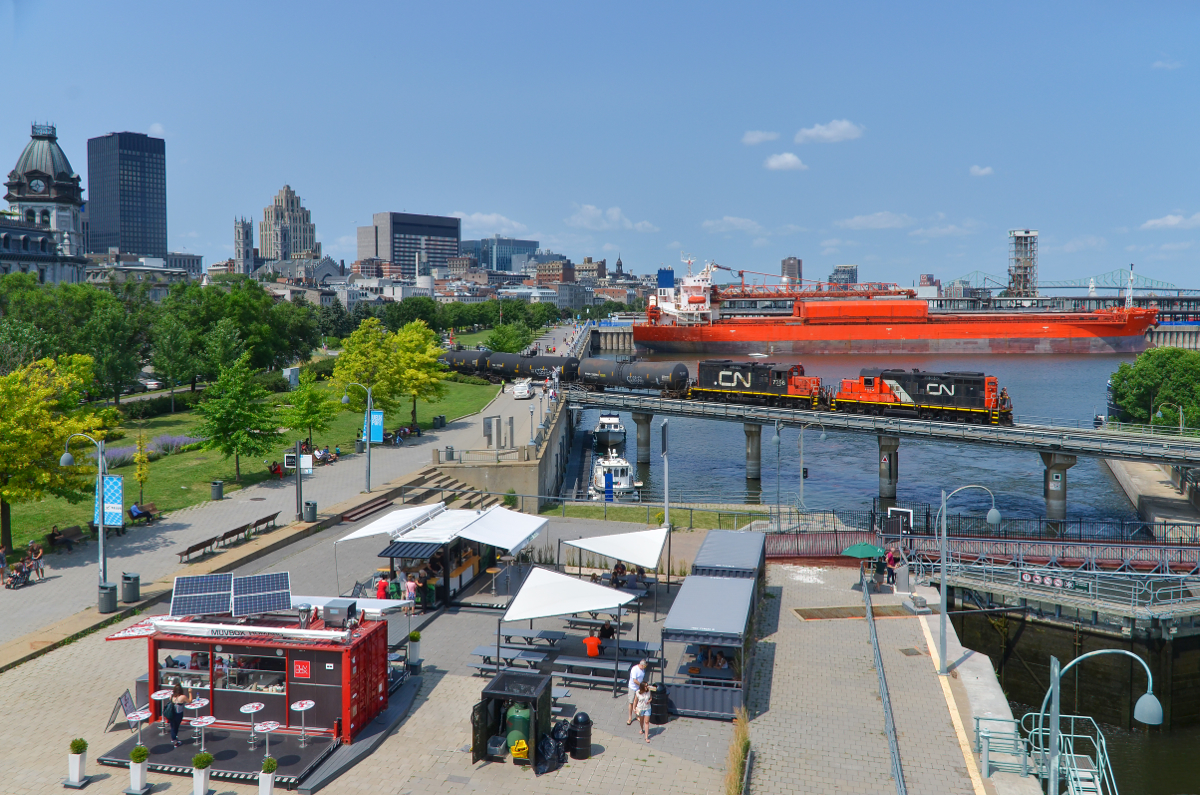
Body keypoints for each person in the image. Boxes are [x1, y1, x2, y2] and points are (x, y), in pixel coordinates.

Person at [166, 683, 193, 748]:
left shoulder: (171, 696)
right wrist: (190, 692)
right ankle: (175, 741)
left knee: (172, 727)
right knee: (176, 726)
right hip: (178, 714)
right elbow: (190, 701)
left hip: (171, 713)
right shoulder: (182, 697)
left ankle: (174, 738)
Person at [626, 659, 648, 726]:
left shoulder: (642, 670)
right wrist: (641, 685)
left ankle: (637, 715)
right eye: (644, 666)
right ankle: (630, 718)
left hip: (638, 688)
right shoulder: (634, 669)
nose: (644, 668)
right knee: (631, 702)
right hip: (633, 688)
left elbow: (642, 678)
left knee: (638, 702)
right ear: (641, 665)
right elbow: (634, 680)